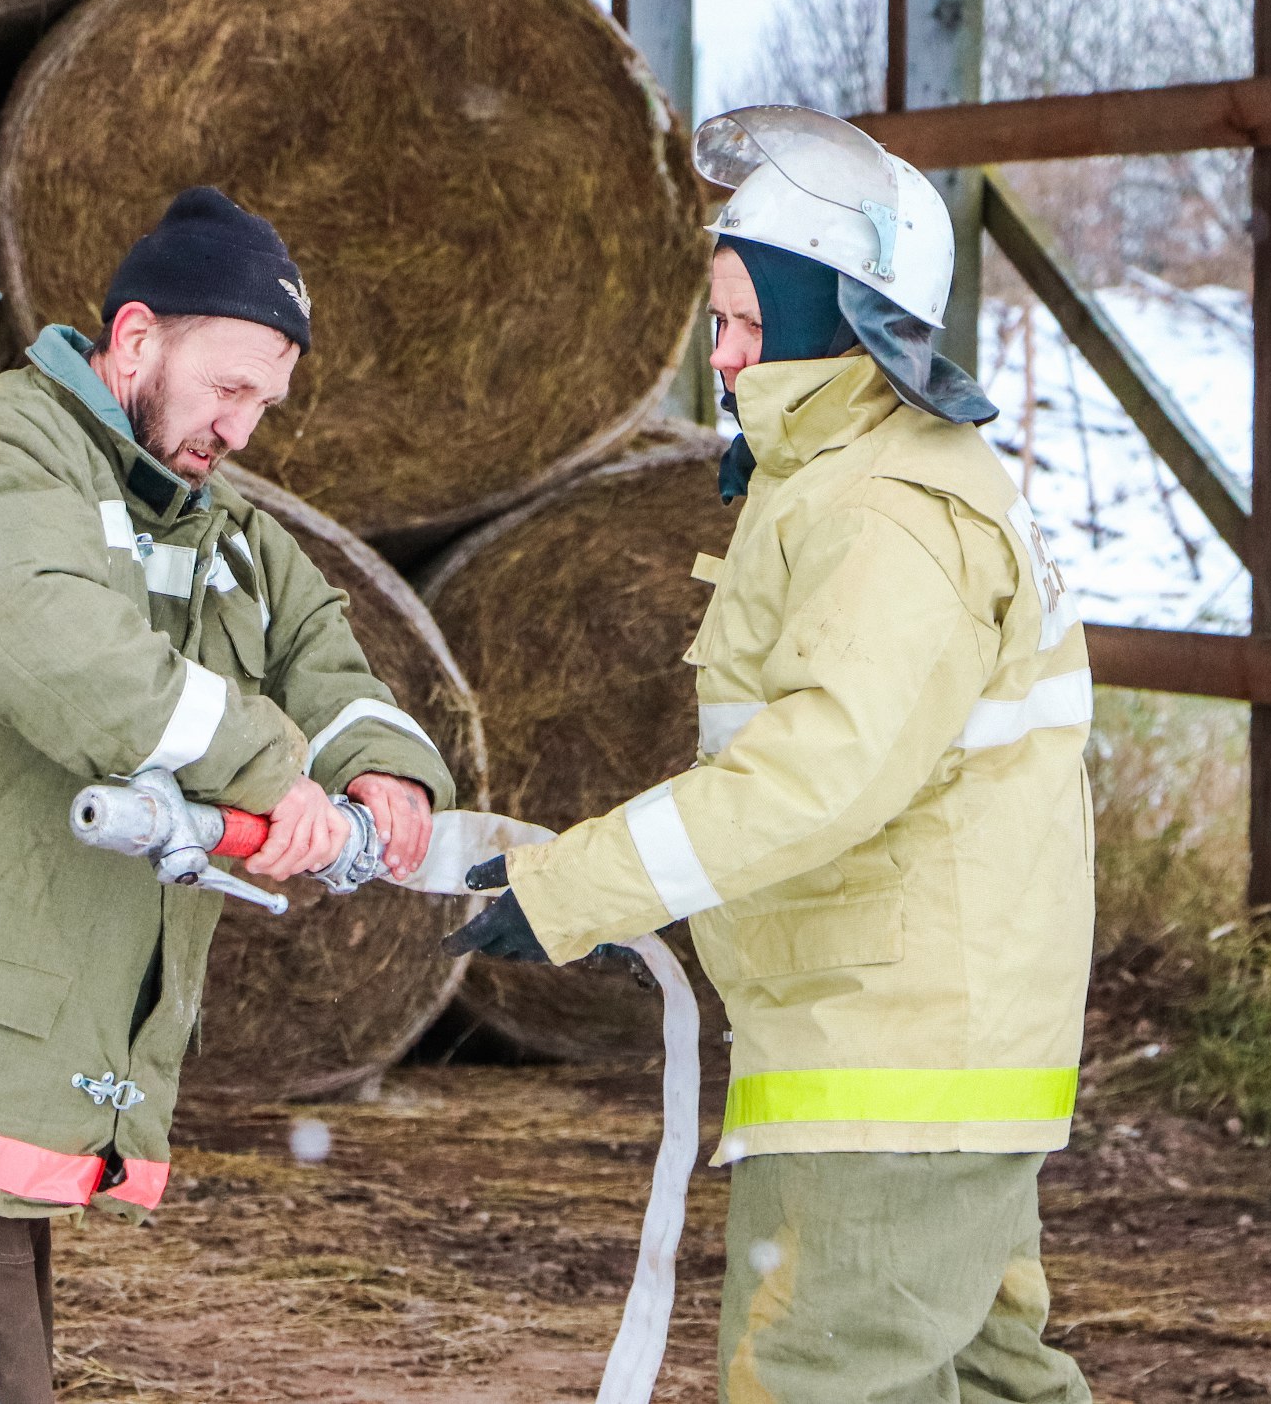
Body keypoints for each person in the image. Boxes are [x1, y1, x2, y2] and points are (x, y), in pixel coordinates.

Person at [0, 186, 454, 1402]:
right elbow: (80, 667)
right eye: (227, 387)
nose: (244, 427)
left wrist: (377, 767)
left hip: (7, 1061)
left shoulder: (209, 522)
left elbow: (316, 643)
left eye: (265, 404)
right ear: (133, 338)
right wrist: (276, 773)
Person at [449, 107, 1097, 1404]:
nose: (725, 357)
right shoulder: (850, 479)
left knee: (817, 1380)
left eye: (752, 327)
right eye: (722, 324)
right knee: (991, 1384)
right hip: (915, 1056)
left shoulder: (886, 510)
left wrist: (576, 893)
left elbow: (817, 773)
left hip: (884, 1069)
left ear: (837, 328)